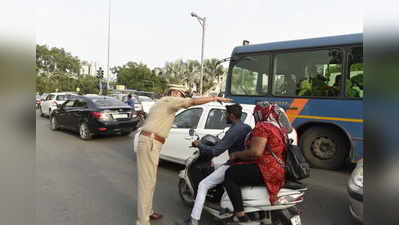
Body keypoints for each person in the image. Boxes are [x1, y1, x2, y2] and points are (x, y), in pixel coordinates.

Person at [135, 85, 231, 225]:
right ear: (174, 92)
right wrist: (214, 98)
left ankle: (148, 211)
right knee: (146, 182)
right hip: (150, 142)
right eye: (182, 94)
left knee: (150, 180)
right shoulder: (170, 100)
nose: (183, 97)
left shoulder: (163, 102)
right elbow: (191, 102)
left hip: (151, 142)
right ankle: (142, 221)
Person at [179, 104, 252, 225]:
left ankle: (194, 220)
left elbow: (216, 151)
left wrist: (199, 145)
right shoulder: (246, 127)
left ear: (232, 116)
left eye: (226, 114)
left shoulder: (233, 131)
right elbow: (228, 143)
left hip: (234, 164)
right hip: (246, 163)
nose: (225, 116)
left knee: (203, 185)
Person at [224, 101, 289, 223]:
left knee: (230, 174)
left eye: (256, 114)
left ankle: (240, 214)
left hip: (267, 168)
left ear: (261, 113)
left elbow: (255, 152)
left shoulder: (263, 127)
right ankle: (257, 211)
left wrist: (236, 154)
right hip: (279, 168)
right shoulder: (278, 127)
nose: (255, 116)